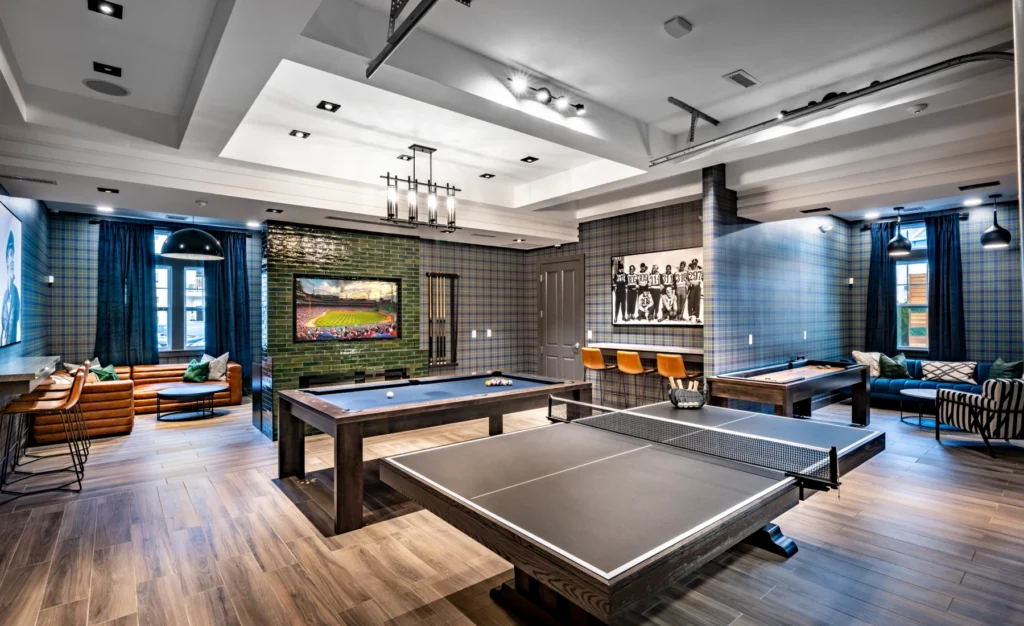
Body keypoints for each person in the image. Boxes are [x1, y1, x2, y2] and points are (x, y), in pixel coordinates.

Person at [1, 232, 18, 346]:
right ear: (6, 259)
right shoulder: (5, 295)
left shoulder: (15, 293)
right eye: (10, 254)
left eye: (13, 255)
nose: (12, 260)